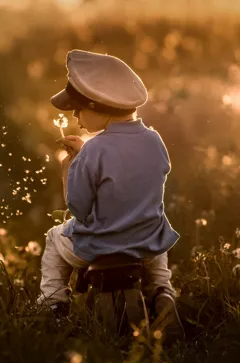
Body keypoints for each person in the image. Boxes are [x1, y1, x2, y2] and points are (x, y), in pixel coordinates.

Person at [38, 49, 182, 335]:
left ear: (98, 106)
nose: (76, 117)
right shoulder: (154, 140)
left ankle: (52, 305)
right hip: (145, 240)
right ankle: (162, 293)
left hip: (100, 245)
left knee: (54, 239)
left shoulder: (92, 151)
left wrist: (73, 165)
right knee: (157, 254)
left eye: (79, 109)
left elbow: (78, 207)